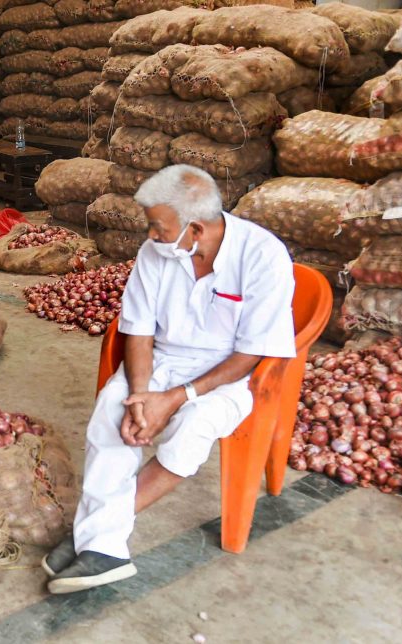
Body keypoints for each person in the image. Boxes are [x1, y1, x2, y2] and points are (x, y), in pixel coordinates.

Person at [44, 165, 296, 594]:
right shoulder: (157, 252)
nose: (152, 236)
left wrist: (177, 398)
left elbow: (251, 353)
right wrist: (142, 396)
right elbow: (138, 329)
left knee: (191, 430)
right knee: (111, 411)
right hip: (160, 361)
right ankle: (102, 545)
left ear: (195, 228)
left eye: (158, 227)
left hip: (226, 377)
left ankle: (96, 536)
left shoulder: (263, 256)